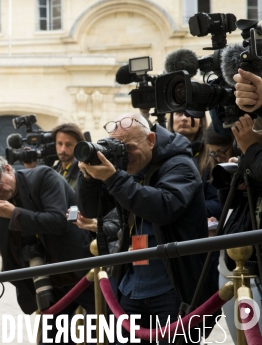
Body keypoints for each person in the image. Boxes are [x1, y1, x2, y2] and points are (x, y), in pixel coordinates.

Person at [76, 112, 213, 344]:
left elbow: (163, 207)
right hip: (131, 285)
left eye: (129, 147)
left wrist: (114, 178)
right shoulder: (125, 168)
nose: (124, 155)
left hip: (173, 286)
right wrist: (89, 179)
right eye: (118, 148)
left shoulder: (180, 165)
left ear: (151, 140)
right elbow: (91, 209)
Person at [0, 155, 94, 341]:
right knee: (51, 339)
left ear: (7, 169)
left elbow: (58, 221)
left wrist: (13, 214)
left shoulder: (43, 177)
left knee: (103, 332)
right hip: (49, 282)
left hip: (82, 271)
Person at [168, 110, 221, 219]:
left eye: (191, 113)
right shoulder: (158, 156)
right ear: (171, 119)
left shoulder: (211, 157)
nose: (184, 118)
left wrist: (181, 209)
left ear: (201, 121)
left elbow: (217, 204)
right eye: (179, 113)